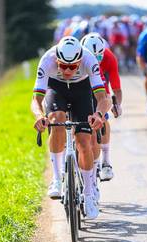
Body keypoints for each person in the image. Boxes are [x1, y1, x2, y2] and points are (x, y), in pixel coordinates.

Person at [31, 36, 111, 219]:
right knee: (56, 119)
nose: (67, 71)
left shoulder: (89, 60)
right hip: (56, 88)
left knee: (84, 141)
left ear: (80, 60)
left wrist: (98, 115)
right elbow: (36, 99)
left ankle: (89, 194)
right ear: (56, 60)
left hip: (82, 89)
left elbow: (103, 98)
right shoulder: (47, 60)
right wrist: (39, 116)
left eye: (73, 66)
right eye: (63, 66)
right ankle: (57, 179)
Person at [81, 33, 123, 186]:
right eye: (93, 57)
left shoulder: (109, 57)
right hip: (82, 87)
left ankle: (105, 162)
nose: (95, 61)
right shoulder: (79, 56)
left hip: (100, 89)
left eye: (99, 57)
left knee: (103, 118)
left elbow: (116, 89)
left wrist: (117, 105)